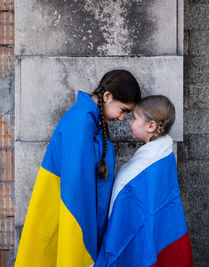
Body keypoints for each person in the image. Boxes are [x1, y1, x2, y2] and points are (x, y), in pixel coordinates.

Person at [15, 70, 141, 267]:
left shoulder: (89, 121)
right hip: (73, 218)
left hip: (74, 216)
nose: (122, 118)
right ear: (107, 96)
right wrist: (82, 247)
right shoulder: (82, 123)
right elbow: (76, 191)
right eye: (123, 110)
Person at [95, 95, 194, 267]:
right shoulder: (162, 155)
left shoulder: (148, 164)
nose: (129, 122)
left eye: (134, 118)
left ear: (151, 126)